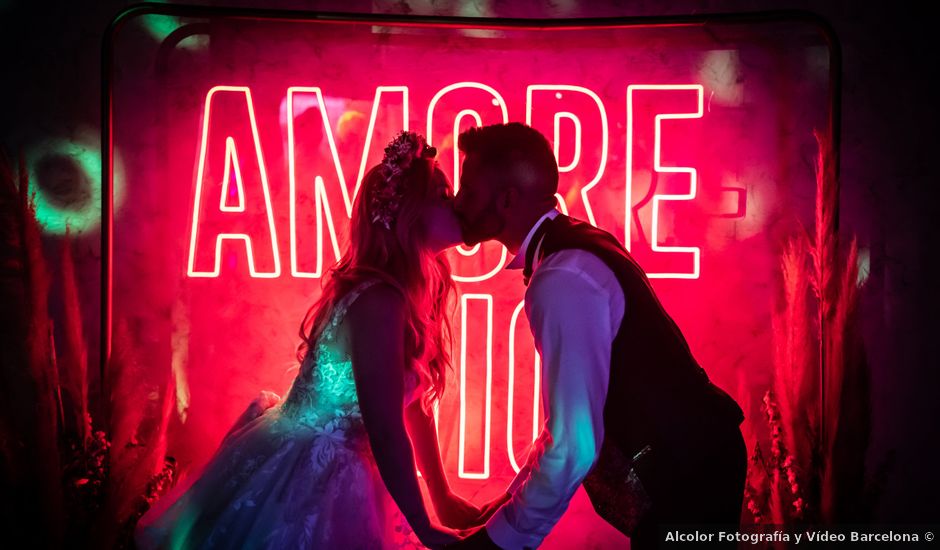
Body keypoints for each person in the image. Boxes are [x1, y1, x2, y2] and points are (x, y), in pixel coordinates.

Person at [135, 131, 479, 549]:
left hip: (345, 466)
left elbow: (413, 404)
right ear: (407, 216)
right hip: (311, 474)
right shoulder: (380, 302)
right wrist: (426, 530)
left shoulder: (412, 291)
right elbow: (386, 429)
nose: (457, 204)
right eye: (442, 196)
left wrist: (441, 498)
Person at [449, 123, 747, 550]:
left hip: (687, 474)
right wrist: (509, 503)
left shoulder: (561, 276)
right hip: (697, 461)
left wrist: (499, 542)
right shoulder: (574, 247)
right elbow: (572, 422)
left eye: (468, 191)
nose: (458, 204)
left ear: (508, 200)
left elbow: (573, 443)